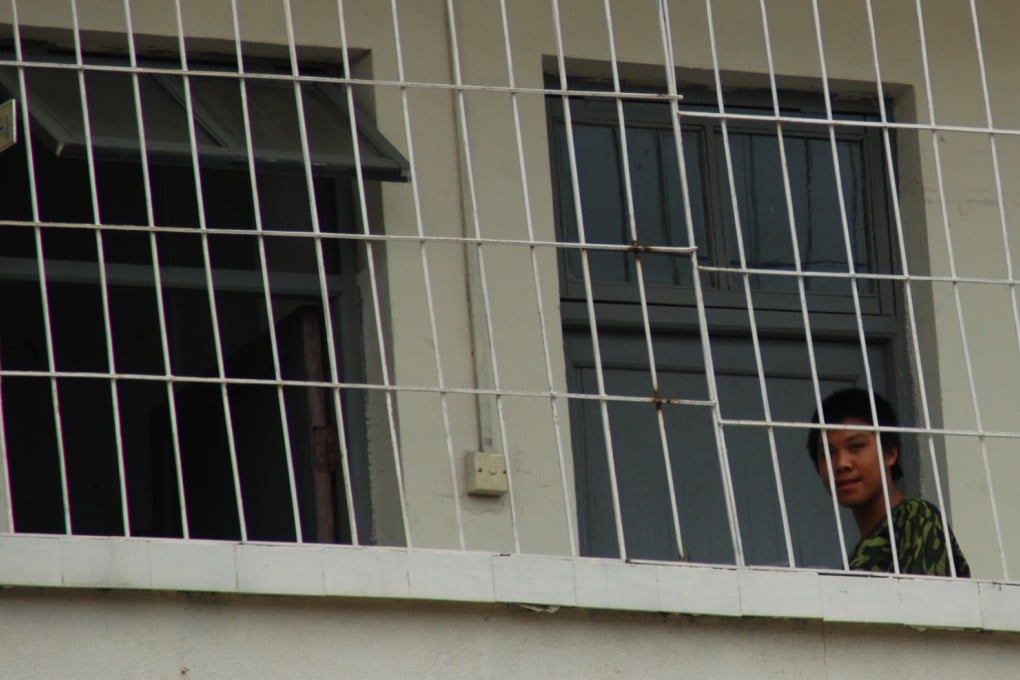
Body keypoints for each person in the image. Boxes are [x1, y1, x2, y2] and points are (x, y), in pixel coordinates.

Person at [806, 387, 970, 577]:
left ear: (890, 453)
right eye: (828, 453)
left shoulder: (916, 517)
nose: (841, 464)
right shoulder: (858, 556)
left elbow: (923, 593)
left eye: (856, 447)